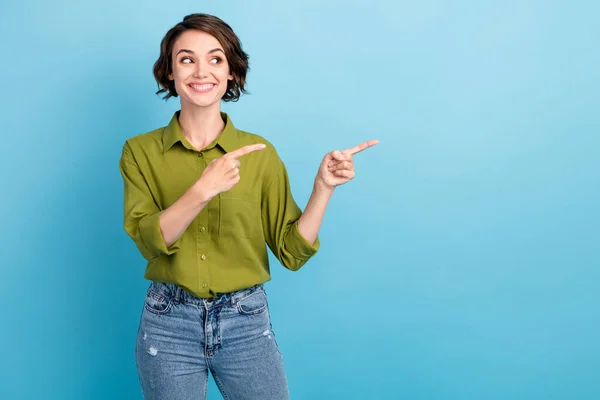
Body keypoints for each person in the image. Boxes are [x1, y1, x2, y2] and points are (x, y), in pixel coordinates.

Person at [119, 13, 378, 400]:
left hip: (245, 320)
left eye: (216, 58)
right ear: (169, 72)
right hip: (168, 321)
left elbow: (291, 252)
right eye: (187, 59)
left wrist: (323, 188)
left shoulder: (260, 154)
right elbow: (148, 240)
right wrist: (202, 190)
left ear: (231, 73)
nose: (201, 70)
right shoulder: (139, 151)